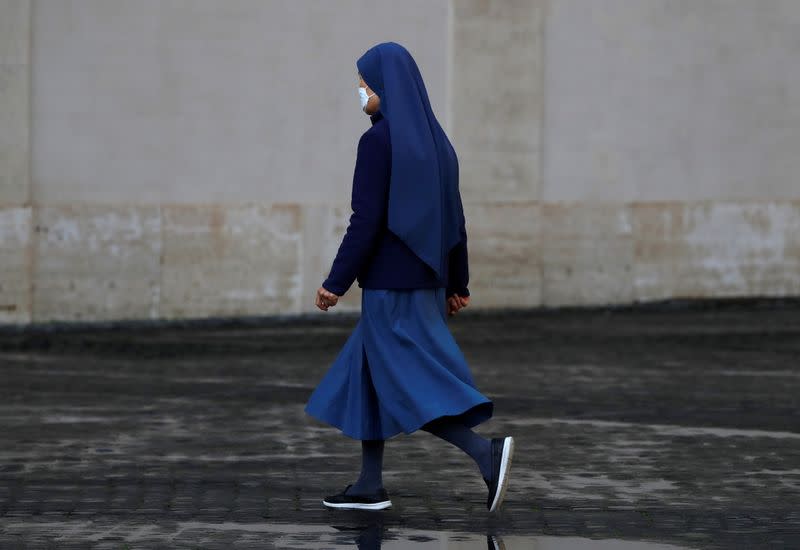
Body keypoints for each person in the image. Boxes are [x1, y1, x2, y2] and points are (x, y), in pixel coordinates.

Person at [303, 41, 514, 514]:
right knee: (371, 377)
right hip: (426, 282)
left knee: (404, 382)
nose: (361, 92)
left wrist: (336, 281)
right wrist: (458, 283)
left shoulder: (378, 142)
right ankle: (368, 484)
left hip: (388, 287)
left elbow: (366, 219)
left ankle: (485, 452)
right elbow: (455, 220)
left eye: (365, 84)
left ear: (386, 87)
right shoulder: (439, 144)